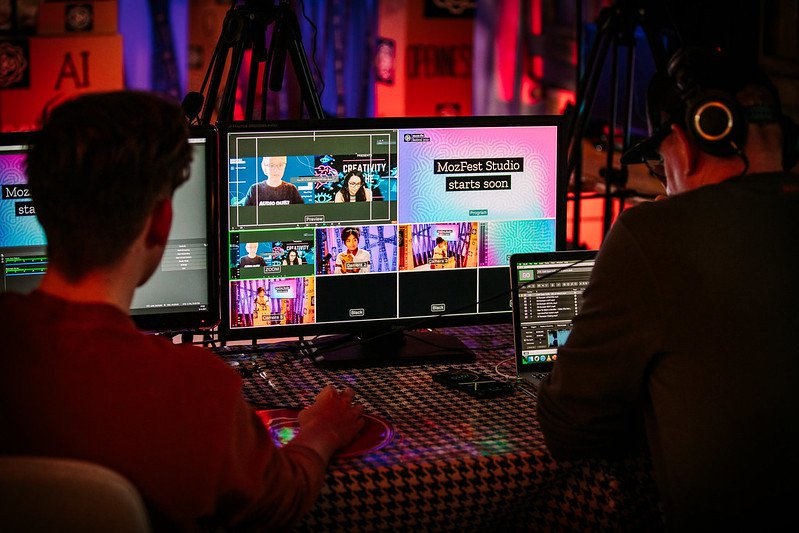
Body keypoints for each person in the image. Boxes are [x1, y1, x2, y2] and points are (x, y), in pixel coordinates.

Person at [0, 91, 364, 531]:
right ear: (161, 221)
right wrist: (322, 431)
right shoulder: (199, 388)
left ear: (38, 208)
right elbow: (279, 502)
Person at [535, 47, 799, 530]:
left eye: (658, 159)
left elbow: (569, 429)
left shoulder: (653, 235)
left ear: (687, 139)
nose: (664, 179)